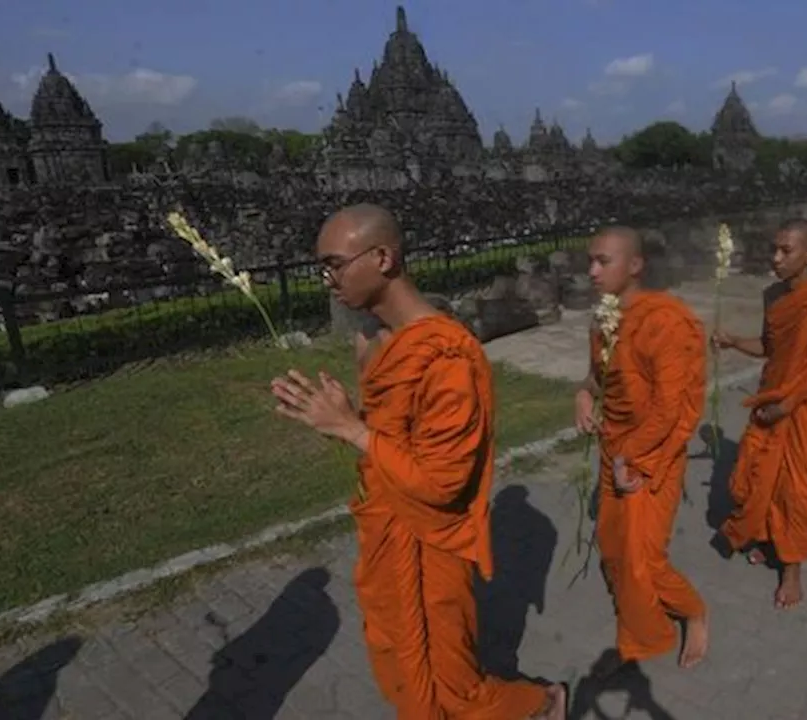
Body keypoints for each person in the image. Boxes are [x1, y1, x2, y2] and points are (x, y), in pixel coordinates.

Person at [270, 204, 566, 720]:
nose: (327, 280)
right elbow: (393, 441)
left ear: (382, 257)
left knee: (452, 688)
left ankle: (544, 701)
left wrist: (351, 428)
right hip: (388, 529)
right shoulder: (376, 342)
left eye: (335, 264)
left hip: (430, 540)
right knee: (403, 673)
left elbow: (440, 482)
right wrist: (344, 419)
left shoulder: (446, 354)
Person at [573, 226, 710, 677]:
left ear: (635, 266)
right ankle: (644, 632)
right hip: (615, 449)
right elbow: (599, 378)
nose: (592, 271)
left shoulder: (666, 320)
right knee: (615, 548)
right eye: (590, 261)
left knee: (644, 558)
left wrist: (631, 456)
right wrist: (583, 395)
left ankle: (693, 612)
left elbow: (670, 408)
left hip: (653, 456)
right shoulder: (604, 319)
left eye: (603, 261)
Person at [712, 218, 807, 609]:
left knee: (797, 488)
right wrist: (733, 341)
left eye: (786, 251)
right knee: (755, 478)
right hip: (770, 398)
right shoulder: (773, 295)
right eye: (774, 249)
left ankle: (792, 568)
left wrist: (788, 405)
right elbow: (769, 347)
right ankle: (767, 536)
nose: (775, 258)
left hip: (805, 405)